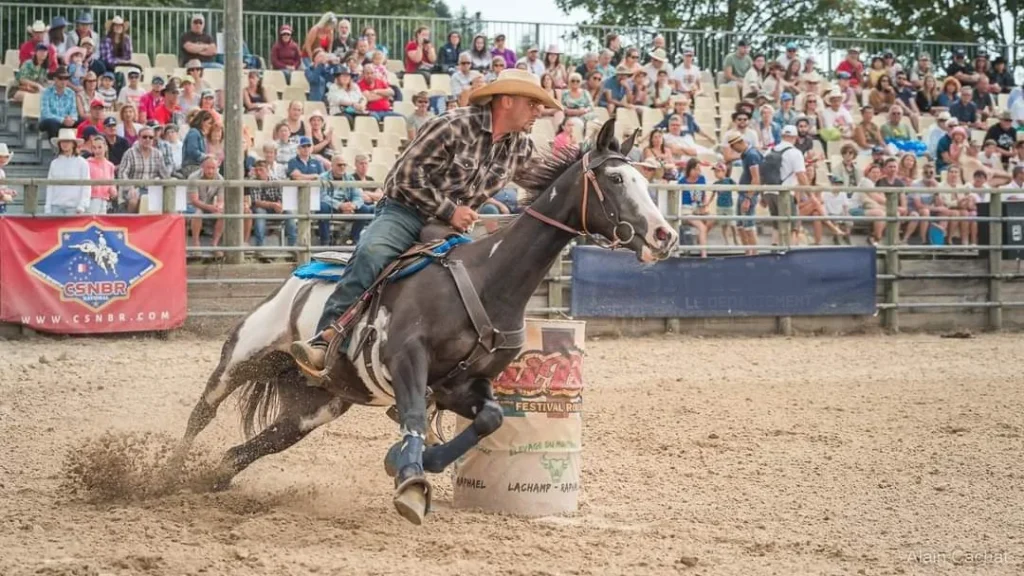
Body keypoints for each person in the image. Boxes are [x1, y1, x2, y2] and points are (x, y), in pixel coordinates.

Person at [290, 68, 560, 372]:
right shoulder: (453, 125)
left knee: (472, 279)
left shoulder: (521, 147)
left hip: (447, 228)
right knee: (372, 254)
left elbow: (548, 183)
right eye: (533, 103)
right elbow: (404, 178)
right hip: (404, 212)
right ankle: (326, 340)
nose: (539, 111)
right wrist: (451, 210)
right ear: (507, 101)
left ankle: (446, 361)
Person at [45, 129, 91, 215]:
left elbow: (86, 185)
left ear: (73, 144)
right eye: (62, 142)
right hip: (56, 205)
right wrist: (48, 206)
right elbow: (50, 186)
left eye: (68, 141)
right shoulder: (54, 163)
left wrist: (82, 205)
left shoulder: (82, 163)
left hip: (74, 207)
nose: (65, 144)